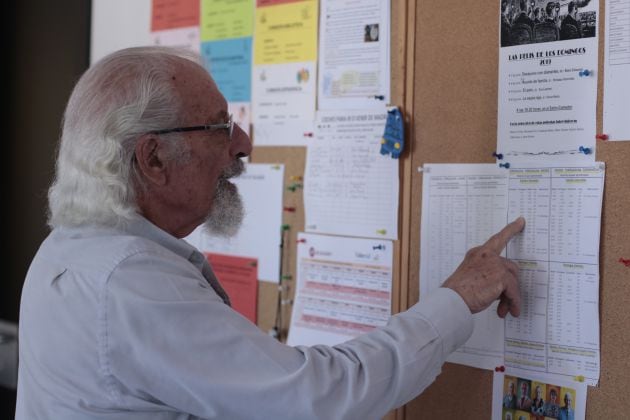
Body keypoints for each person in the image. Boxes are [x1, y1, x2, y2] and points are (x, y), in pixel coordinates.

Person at [15, 46, 525, 419]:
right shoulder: (129, 282)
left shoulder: (70, 249)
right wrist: (455, 300)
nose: (243, 144)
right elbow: (314, 398)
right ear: (152, 158)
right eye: (219, 127)